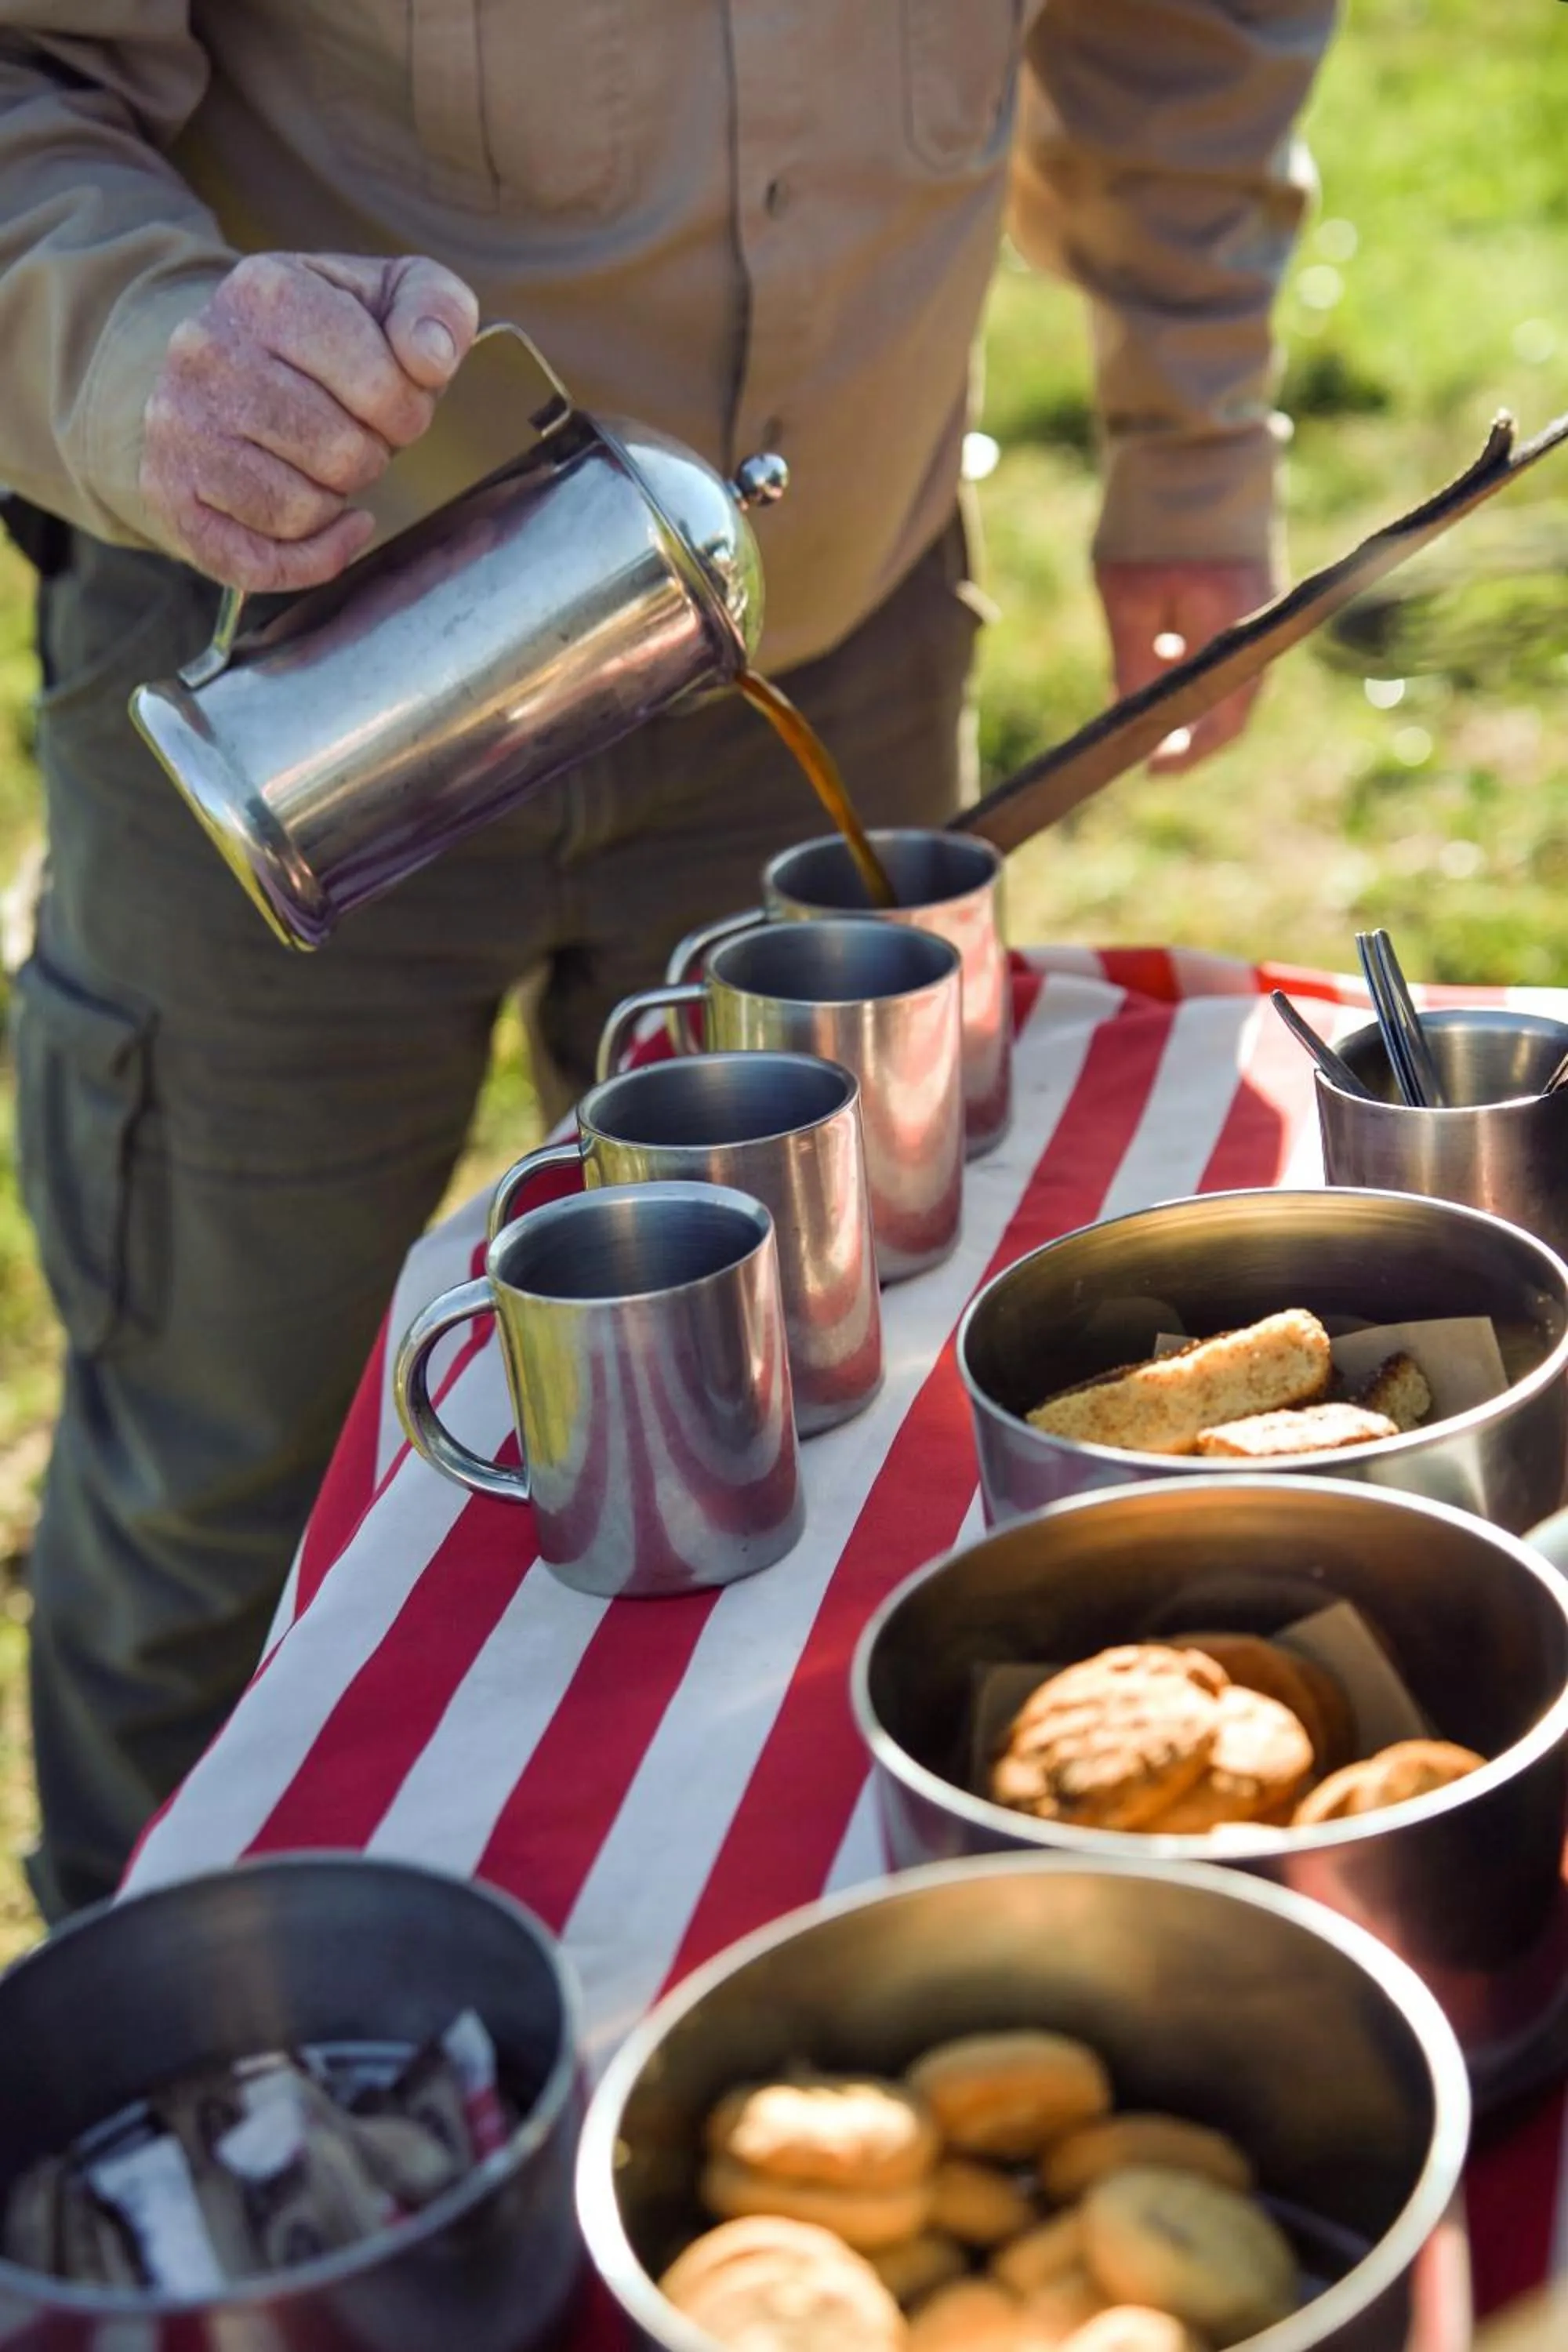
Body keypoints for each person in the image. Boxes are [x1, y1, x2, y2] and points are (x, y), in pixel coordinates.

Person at [0, 2, 1334, 1918]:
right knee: (221, 1479)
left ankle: (706, 1958)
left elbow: (1190, 22)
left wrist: (1193, 433)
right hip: (289, 645)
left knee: (823, 1415)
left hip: (833, 629)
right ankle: (154, 2060)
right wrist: (140, 356)